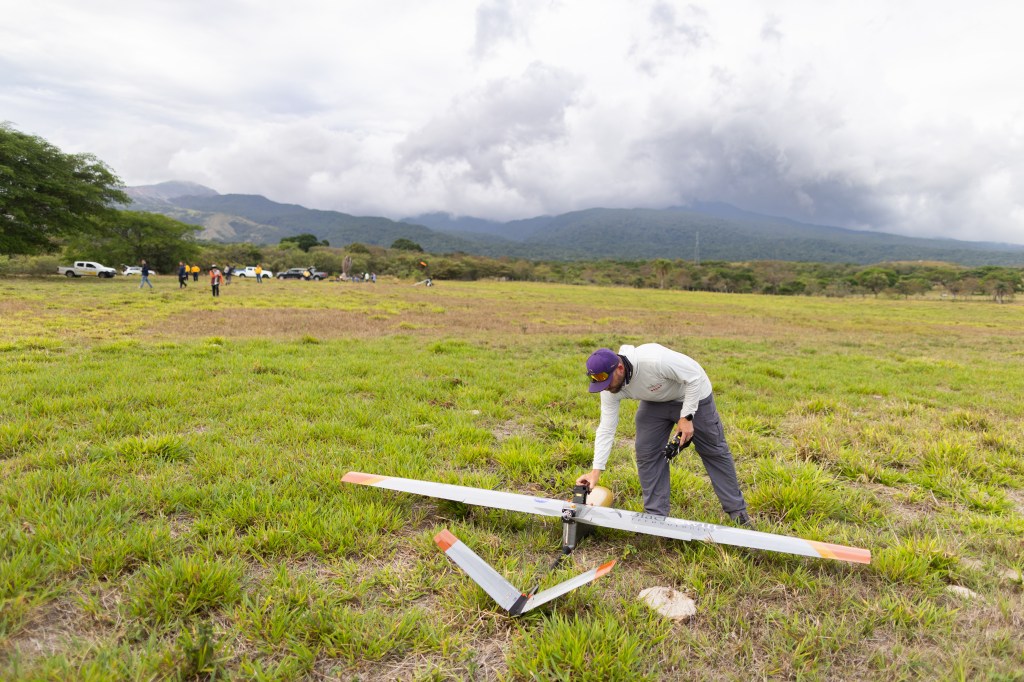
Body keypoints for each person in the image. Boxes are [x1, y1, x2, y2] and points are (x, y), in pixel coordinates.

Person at [577, 344, 750, 525]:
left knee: (714, 452)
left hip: (693, 394)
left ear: (620, 368)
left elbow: (694, 377)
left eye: (607, 382)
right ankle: (655, 519)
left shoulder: (654, 360)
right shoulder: (609, 388)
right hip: (656, 401)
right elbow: (606, 428)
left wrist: (687, 416)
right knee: (646, 451)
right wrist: (596, 471)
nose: (605, 388)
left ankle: (739, 515)